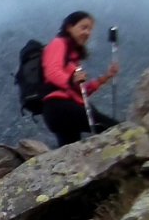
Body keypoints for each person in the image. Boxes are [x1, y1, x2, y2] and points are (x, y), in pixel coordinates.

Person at [41, 12, 119, 147]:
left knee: (69, 151)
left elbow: (81, 91)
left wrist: (105, 77)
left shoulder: (71, 55)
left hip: (58, 110)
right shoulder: (58, 43)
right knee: (116, 129)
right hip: (60, 106)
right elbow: (52, 72)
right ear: (69, 27)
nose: (87, 33)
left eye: (89, 29)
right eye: (83, 27)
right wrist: (70, 80)